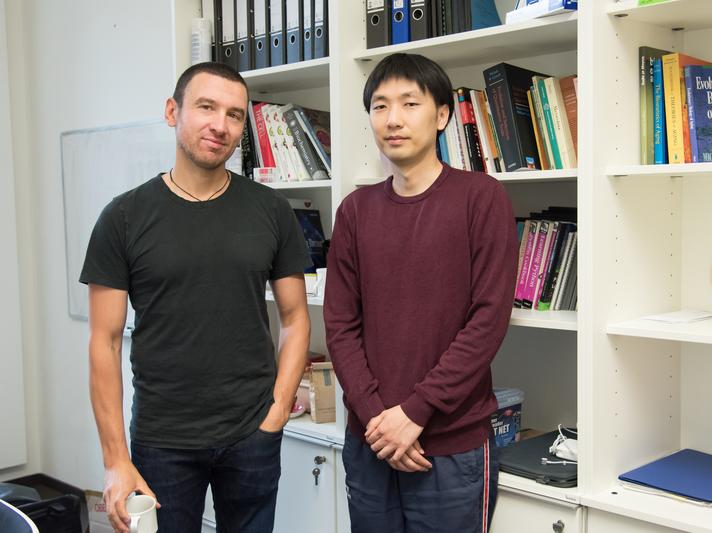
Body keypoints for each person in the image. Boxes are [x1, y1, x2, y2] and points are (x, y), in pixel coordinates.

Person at [81, 62, 311, 533]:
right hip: (163, 440)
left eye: (234, 115)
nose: (219, 125)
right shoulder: (123, 217)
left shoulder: (271, 211)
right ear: (173, 111)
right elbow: (102, 344)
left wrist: (278, 408)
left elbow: (294, 318)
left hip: (253, 434)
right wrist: (114, 461)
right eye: (206, 107)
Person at [324, 53, 518, 533]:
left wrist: (415, 412)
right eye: (380, 106)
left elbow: (489, 319)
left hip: (450, 446)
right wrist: (378, 420)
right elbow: (340, 325)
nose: (393, 119)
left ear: (443, 115)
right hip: (370, 442)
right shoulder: (354, 210)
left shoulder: (481, 197)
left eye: (410, 103)